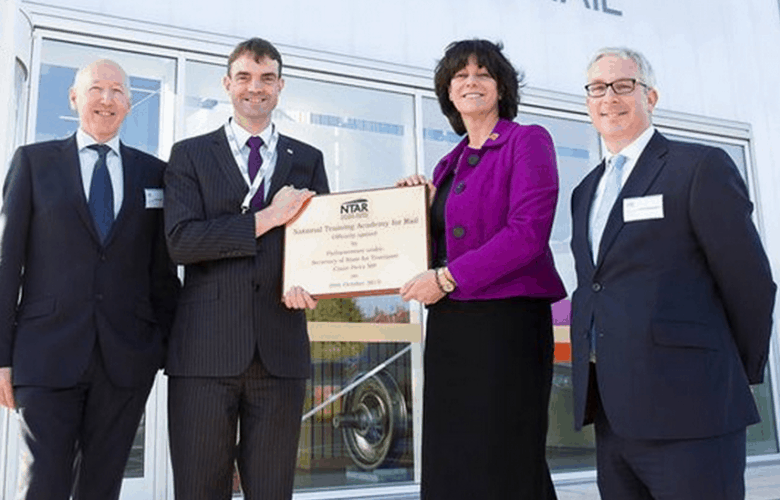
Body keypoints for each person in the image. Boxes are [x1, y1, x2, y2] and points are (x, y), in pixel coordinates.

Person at [569, 47, 776, 499]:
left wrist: (723, 372)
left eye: (624, 85)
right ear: (587, 102)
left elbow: (751, 283)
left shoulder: (698, 167)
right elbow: (597, 288)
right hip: (614, 417)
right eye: (598, 88)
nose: (610, 97)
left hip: (694, 411)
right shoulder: (585, 192)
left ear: (652, 96)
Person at [0, 59, 179, 500]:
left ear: (130, 104)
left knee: (102, 486)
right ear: (75, 98)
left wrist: (168, 348)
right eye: (97, 89)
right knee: (44, 483)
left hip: (124, 360)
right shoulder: (34, 163)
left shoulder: (154, 174)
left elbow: (162, 274)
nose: (107, 99)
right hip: (46, 356)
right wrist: (2, 356)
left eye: (118, 91)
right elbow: (7, 265)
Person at [397, 39, 565, 499]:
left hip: (507, 323)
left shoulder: (527, 141)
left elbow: (528, 233)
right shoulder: (447, 165)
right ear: (448, 93)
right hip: (453, 323)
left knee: (504, 453)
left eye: (483, 74)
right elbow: (437, 252)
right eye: (460, 76)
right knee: (454, 453)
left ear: (501, 87)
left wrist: (447, 278)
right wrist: (416, 211)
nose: (471, 82)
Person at [164, 37, 328, 500]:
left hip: (280, 351)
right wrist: (266, 218)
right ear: (227, 83)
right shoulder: (189, 156)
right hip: (204, 354)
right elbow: (181, 242)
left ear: (280, 86)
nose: (255, 88)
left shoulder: (308, 159)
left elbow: (318, 246)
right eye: (244, 77)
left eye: (266, 78)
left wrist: (314, 281)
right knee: (199, 490)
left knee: (273, 491)